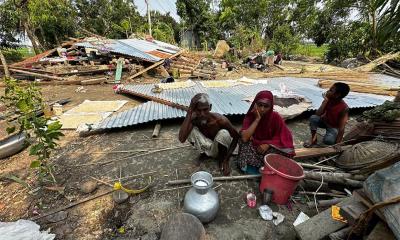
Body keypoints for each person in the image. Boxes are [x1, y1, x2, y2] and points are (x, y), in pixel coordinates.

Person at [179, 93, 239, 176]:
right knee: (189, 130)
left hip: (220, 148)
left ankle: (221, 159)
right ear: (194, 110)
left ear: (210, 107)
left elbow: (236, 137)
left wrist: (226, 159)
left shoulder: (220, 120)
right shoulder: (194, 119)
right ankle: (204, 154)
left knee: (224, 134)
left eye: (205, 110)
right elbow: (182, 139)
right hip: (207, 146)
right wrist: (189, 112)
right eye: (199, 110)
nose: (202, 114)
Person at [237, 91, 295, 173]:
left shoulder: (275, 117)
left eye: (266, 106)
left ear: (271, 107)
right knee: (242, 140)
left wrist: (268, 144)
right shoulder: (250, 117)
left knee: (285, 151)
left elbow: (285, 137)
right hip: (255, 149)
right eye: (260, 105)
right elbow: (245, 138)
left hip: (268, 149)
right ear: (255, 104)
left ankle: (266, 166)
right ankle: (260, 166)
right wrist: (257, 120)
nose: (262, 109)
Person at [305, 82, 350, 147]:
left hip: (333, 127)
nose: (327, 91)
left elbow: (342, 128)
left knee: (328, 141)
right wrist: (325, 101)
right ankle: (313, 140)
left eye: (331, 90)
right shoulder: (329, 99)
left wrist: (338, 144)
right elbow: (317, 114)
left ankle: (333, 136)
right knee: (313, 118)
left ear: (337, 95)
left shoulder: (344, 108)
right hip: (324, 121)